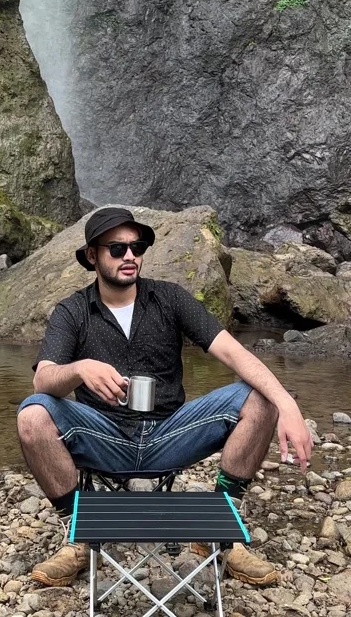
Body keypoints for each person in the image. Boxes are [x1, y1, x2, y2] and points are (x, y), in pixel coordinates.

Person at [17, 207, 313, 588]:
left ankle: (223, 534)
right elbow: (43, 381)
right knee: (32, 415)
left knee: (260, 398)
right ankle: (78, 538)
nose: (130, 256)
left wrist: (287, 403)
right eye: (117, 248)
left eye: (137, 247)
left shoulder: (170, 299)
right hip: (105, 437)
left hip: (170, 434)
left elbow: (235, 354)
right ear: (92, 255)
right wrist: (79, 369)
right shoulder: (73, 311)